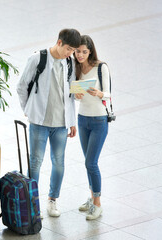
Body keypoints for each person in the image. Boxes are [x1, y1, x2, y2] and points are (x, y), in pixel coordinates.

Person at [16, 28, 81, 217]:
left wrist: (72, 121)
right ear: (59, 42)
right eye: (68, 49)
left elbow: (70, 92)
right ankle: (32, 203)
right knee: (35, 163)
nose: (70, 54)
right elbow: (21, 86)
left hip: (61, 123)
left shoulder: (69, 62)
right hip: (40, 122)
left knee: (59, 163)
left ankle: (53, 200)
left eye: (73, 51)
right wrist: (28, 110)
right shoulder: (38, 59)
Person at [73, 35, 110, 220]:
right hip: (82, 119)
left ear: (90, 51)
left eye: (84, 52)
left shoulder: (101, 67)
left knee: (91, 163)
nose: (80, 55)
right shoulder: (75, 67)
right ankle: (91, 197)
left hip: (99, 121)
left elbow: (109, 93)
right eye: (78, 51)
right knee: (87, 162)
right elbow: (70, 91)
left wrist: (99, 93)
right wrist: (75, 94)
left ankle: (97, 204)